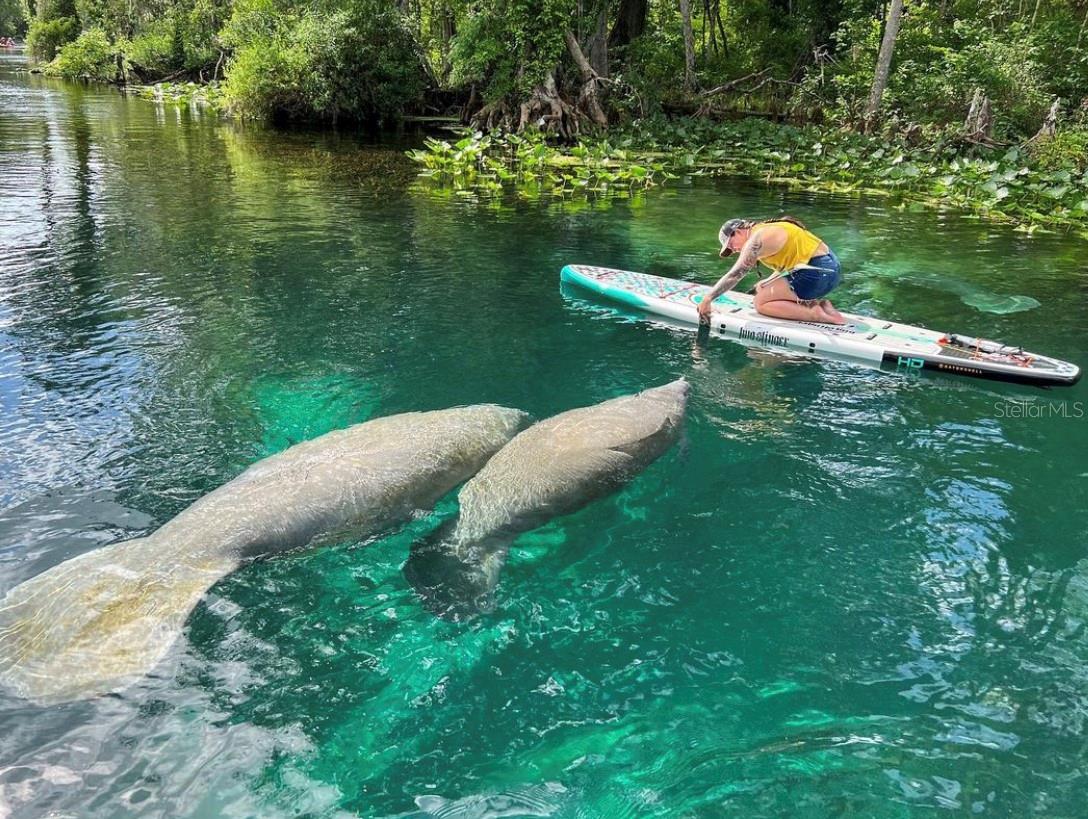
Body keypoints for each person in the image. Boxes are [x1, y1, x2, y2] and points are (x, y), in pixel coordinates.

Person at [697, 216, 846, 325]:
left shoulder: (756, 240)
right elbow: (789, 263)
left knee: (760, 303)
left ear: (738, 232)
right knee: (764, 290)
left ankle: (815, 315)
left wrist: (708, 299)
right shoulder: (766, 229)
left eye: (730, 245)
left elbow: (736, 274)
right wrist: (769, 281)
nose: (733, 250)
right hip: (831, 272)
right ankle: (821, 305)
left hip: (817, 274)